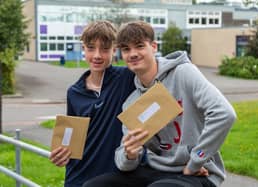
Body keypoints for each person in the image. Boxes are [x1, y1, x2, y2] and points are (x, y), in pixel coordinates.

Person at [83, 21, 237, 187]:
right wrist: (130, 154)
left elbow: (224, 114)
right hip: (155, 169)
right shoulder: (132, 102)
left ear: (154, 47)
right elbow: (124, 162)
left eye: (139, 46)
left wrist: (197, 160)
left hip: (196, 171)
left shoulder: (183, 73)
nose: (133, 53)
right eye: (126, 49)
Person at [49, 20, 135, 187]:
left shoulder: (127, 78)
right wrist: (61, 154)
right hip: (78, 177)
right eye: (91, 48)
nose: (97, 55)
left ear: (114, 50)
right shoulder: (74, 92)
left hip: (112, 178)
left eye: (104, 49)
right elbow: (71, 138)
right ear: (83, 50)